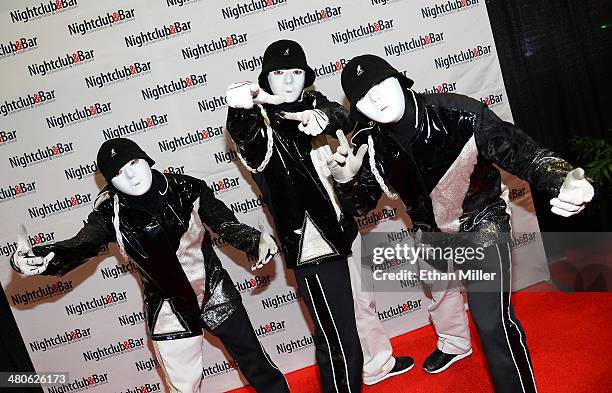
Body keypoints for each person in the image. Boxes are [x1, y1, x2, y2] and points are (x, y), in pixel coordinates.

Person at [328, 54, 594, 393]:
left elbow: (524, 154)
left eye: (380, 84)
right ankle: (453, 345)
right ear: (359, 109)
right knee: (440, 298)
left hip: (481, 222)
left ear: (399, 79)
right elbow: (361, 206)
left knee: (491, 323)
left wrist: (560, 179)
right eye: (364, 97)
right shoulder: (370, 144)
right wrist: (345, 180)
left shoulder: (457, 112)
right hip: (429, 232)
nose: (376, 98)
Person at [10, 138, 289, 393]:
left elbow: (225, 223)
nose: (131, 175)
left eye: (133, 163)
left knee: (258, 365)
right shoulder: (110, 214)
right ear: (110, 182)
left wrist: (255, 241)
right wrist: (44, 258)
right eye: (118, 173)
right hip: (168, 310)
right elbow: (80, 245)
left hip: (215, 292)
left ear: (146, 159)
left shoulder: (187, 188)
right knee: (184, 388)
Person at [225, 40, 413, 392]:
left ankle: (378, 364)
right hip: (313, 241)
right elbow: (252, 149)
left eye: (296, 73)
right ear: (266, 76)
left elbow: (344, 116)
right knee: (340, 344)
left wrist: (320, 116)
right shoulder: (258, 117)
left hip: (341, 229)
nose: (289, 81)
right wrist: (241, 111)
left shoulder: (312, 102)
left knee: (358, 315)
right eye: (279, 74)